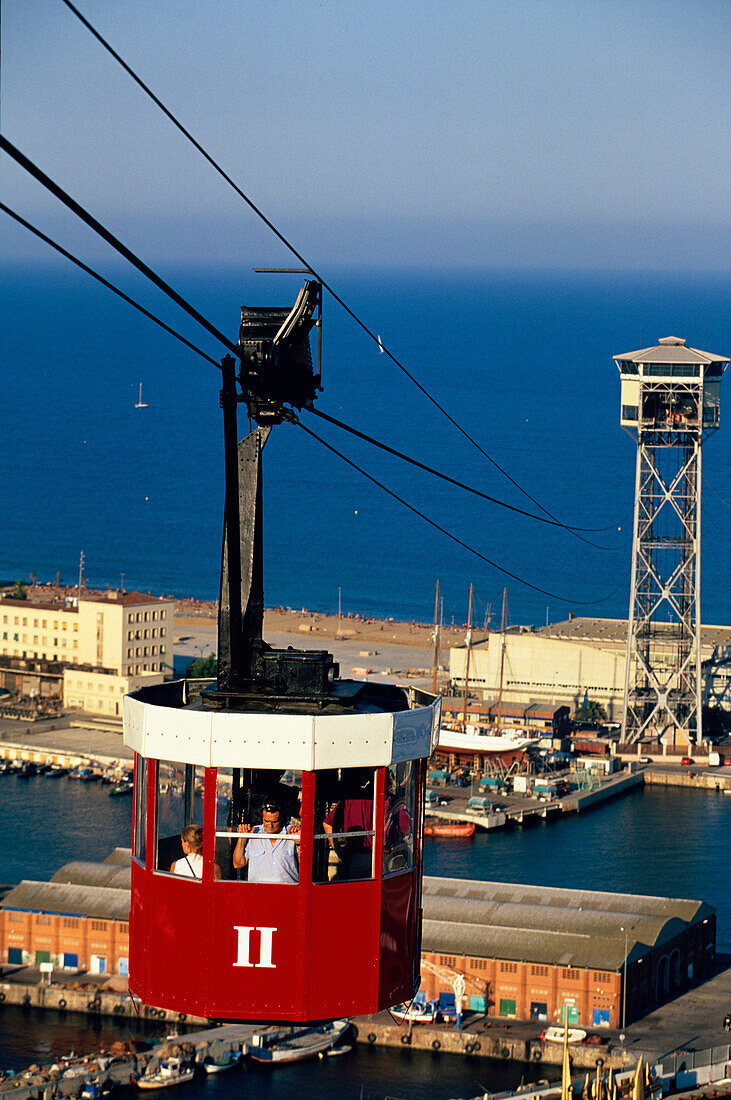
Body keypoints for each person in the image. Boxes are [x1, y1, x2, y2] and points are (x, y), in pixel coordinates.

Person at [232, 800, 300, 883]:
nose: (270, 826)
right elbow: (238, 864)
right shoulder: (253, 833)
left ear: (282, 819)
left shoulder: (293, 832)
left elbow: (306, 866)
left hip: (288, 891)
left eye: (275, 822)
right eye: (266, 821)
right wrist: (242, 839)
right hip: (258, 891)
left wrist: (299, 843)